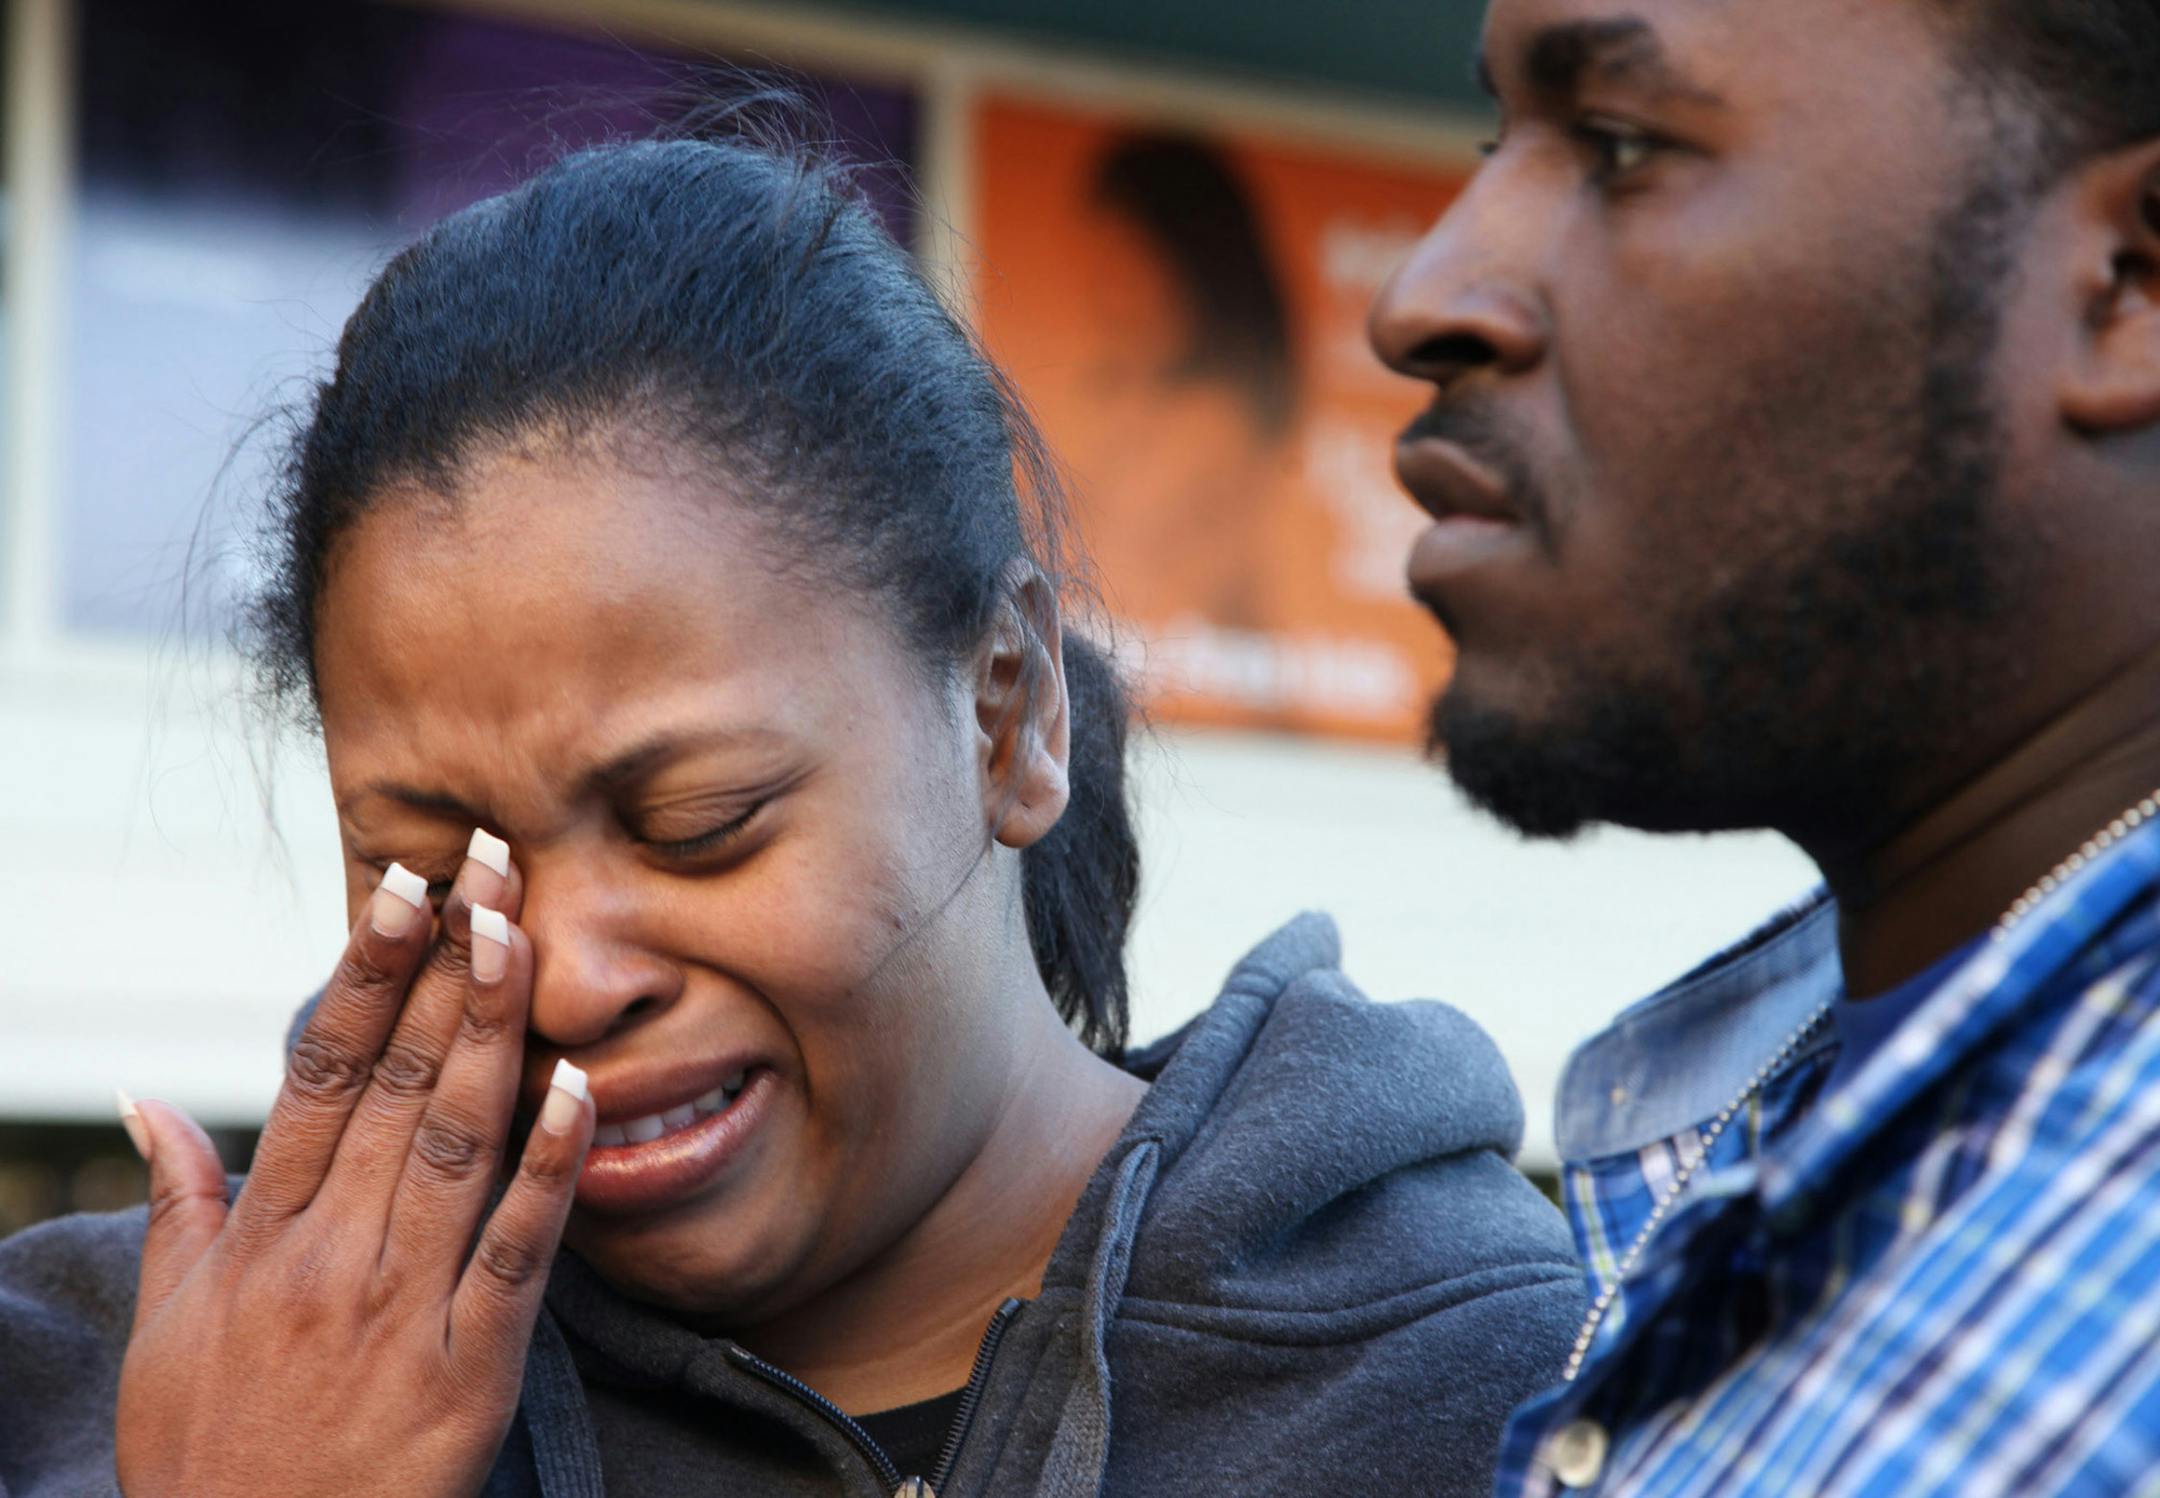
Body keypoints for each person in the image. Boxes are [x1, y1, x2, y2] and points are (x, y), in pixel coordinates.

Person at [0, 129, 1584, 1497]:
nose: (560, 973)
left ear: (1009, 711)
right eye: (436, 867)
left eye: (700, 819)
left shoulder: (1507, 1388)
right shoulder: (106, 1386)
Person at [1368, 0, 2160, 1492]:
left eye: (1617, 144)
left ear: (2128, 285)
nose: (1421, 297)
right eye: (1499, 142)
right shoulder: (1778, 1124)